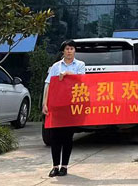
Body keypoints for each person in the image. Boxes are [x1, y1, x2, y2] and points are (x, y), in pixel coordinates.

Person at [43, 40, 86, 178]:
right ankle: (55, 166)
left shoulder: (80, 65)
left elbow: (82, 80)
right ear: (63, 51)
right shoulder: (56, 66)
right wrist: (45, 103)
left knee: (68, 137)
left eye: (71, 48)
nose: (69, 51)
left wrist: (68, 74)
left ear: (75, 51)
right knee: (55, 137)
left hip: (71, 107)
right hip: (56, 106)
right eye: (67, 49)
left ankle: (64, 166)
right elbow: (48, 84)